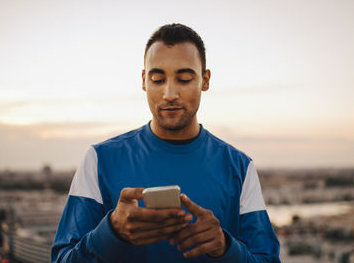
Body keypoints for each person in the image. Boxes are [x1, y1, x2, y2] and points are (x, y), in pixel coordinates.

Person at [51, 23, 280, 262]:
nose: (170, 94)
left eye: (183, 79)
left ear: (205, 80)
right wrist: (111, 231)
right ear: (143, 81)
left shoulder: (240, 168)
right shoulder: (98, 161)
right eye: (158, 79)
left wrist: (225, 247)